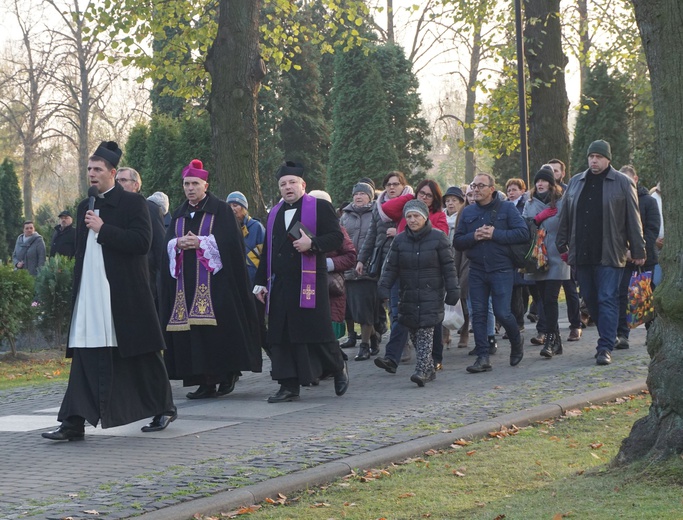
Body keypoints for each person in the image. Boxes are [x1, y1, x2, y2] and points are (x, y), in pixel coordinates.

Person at [42, 141, 175, 441]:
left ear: (113, 173)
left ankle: (164, 408)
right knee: (86, 355)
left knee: (141, 354)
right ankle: (73, 423)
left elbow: (142, 243)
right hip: (90, 292)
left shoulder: (134, 204)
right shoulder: (83, 207)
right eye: (89, 169)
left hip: (123, 294)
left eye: (98, 169)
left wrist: (104, 228)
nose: (92, 174)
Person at [160, 160, 262, 399]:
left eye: (195, 183)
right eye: (186, 184)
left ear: (205, 185)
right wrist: (177, 243)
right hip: (186, 286)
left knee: (219, 333)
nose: (190, 188)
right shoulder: (180, 213)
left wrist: (202, 242)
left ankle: (227, 374)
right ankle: (204, 381)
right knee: (194, 335)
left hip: (218, 286)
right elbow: (166, 243)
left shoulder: (221, 210)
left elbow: (232, 245)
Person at [254, 161, 349, 403]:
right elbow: (268, 250)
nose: (288, 187)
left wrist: (312, 244)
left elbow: (336, 238)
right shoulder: (273, 213)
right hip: (281, 284)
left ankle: (338, 368)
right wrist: (260, 282)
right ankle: (288, 386)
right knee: (281, 335)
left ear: (303, 185)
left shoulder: (319, 207)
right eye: (283, 184)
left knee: (317, 331)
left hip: (309, 281)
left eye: (292, 183)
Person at [556, 140, 645, 366]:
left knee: (607, 297)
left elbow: (633, 219)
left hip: (610, 252)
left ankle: (604, 346)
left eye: (598, 157)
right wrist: (561, 242)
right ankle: (609, 333)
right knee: (592, 299)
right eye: (591, 156)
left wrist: (638, 249)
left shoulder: (623, 183)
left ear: (608, 159)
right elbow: (565, 214)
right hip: (582, 252)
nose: (594, 160)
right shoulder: (576, 182)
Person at [378, 199, 459, 386]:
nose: (412, 220)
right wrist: (384, 287)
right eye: (409, 216)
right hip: (407, 294)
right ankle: (429, 367)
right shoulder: (399, 240)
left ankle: (422, 369)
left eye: (416, 216)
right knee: (413, 330)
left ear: (424, 217)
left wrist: (453, 289)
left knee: (425, 332)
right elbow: (391, 267)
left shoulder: (438, 238)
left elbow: (449, 267)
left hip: (431, 294)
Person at [454, 173, 529, 373]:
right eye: (473, 185)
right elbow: (458, 241)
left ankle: (516, 341)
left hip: (502, 269)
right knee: (477, 313)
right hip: (477, 269)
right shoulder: (468, 212)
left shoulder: (506, 208)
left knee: (502, 312)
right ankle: (483, 356)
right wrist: (474, 236)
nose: (476, 189)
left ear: (491, 189)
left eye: (480, 186)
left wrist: (496, 234)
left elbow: (523, 233)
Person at [355, 171, 409, 374]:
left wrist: (401, 232)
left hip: (410, 263)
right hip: (387, 264)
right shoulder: (379, 208)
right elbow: (371, 235)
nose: (392, 187)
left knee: (409, 308)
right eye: (388, 184)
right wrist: (361, 259)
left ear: (404, 186)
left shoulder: (410, 204)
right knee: (393, 308)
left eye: (396, 184)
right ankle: (401, 347)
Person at [522, 166, 570, 358]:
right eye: (537, 181)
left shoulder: (562, 201)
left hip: (557, 255)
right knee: (542, 299)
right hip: (537, 257)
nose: (540, 184)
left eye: (544, 180)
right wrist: (536, 219)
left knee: (551, 298)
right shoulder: (530, 202)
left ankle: (550, 339)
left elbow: (567, 224)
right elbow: (523, 226)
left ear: (552, 183)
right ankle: (555, 339)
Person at [615, 165, 660, 349]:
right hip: (622, 259)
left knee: (648, 296)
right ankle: (622, 334)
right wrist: (624, 251)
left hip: (646, 258)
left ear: (635, 179)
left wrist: (637, 250)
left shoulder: (648, 201)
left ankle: (653, 332)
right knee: (621, 296)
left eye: (628, 179)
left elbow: (652, 229)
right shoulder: (616, 200)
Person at [116, 167, 166, 308]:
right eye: (117, 180)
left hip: (144, 277)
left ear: (136, 185)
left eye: (123, 180)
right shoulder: (110, 209)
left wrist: (160, 283)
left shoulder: (150, 209)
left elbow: (159, 247)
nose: (119, 184)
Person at [226, 190, 268, 356]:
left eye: (236, 205)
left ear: (244, 208)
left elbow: (264, 257)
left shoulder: (256, 227)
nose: (232, 208)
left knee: (258, 326)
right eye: (229, 205)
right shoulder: (227, 228)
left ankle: (277, 360)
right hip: (237, 286)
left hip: (254, 285)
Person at [340, 182, 378, 361]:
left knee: (364, 309)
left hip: (368, 268)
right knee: (348, 308)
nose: (359, 196)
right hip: (347, 267)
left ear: (370, 197)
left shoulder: (377, 214)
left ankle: (365, 346)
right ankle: (366, 337)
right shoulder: (345, 216)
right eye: (356, 194)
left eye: (363, 193)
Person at [547, 158, 583, 342]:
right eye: (549, 170)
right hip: (546, 250)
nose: (552, 174)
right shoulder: (539, 194)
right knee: (546, 292)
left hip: (566, 247)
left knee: (570, 288)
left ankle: (575, 325)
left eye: (556, 170)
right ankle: (545, 329)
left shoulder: (569, 192)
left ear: (562, 173)